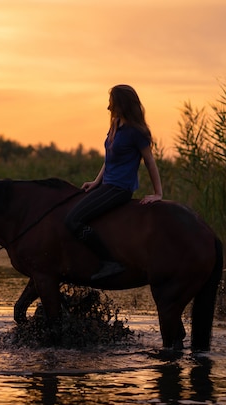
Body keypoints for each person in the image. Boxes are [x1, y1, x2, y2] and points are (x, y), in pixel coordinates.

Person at [65, 84, 163, 281]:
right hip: (107, 184)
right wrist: (96, 182)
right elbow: (109, 159)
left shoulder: (137, 132)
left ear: (122, 104)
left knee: (72, 220)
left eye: (112, 103)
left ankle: (110, 262)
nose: (108, 108)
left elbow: (150, 163)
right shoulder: (116, 125)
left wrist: (158, 193)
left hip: (120, 188)